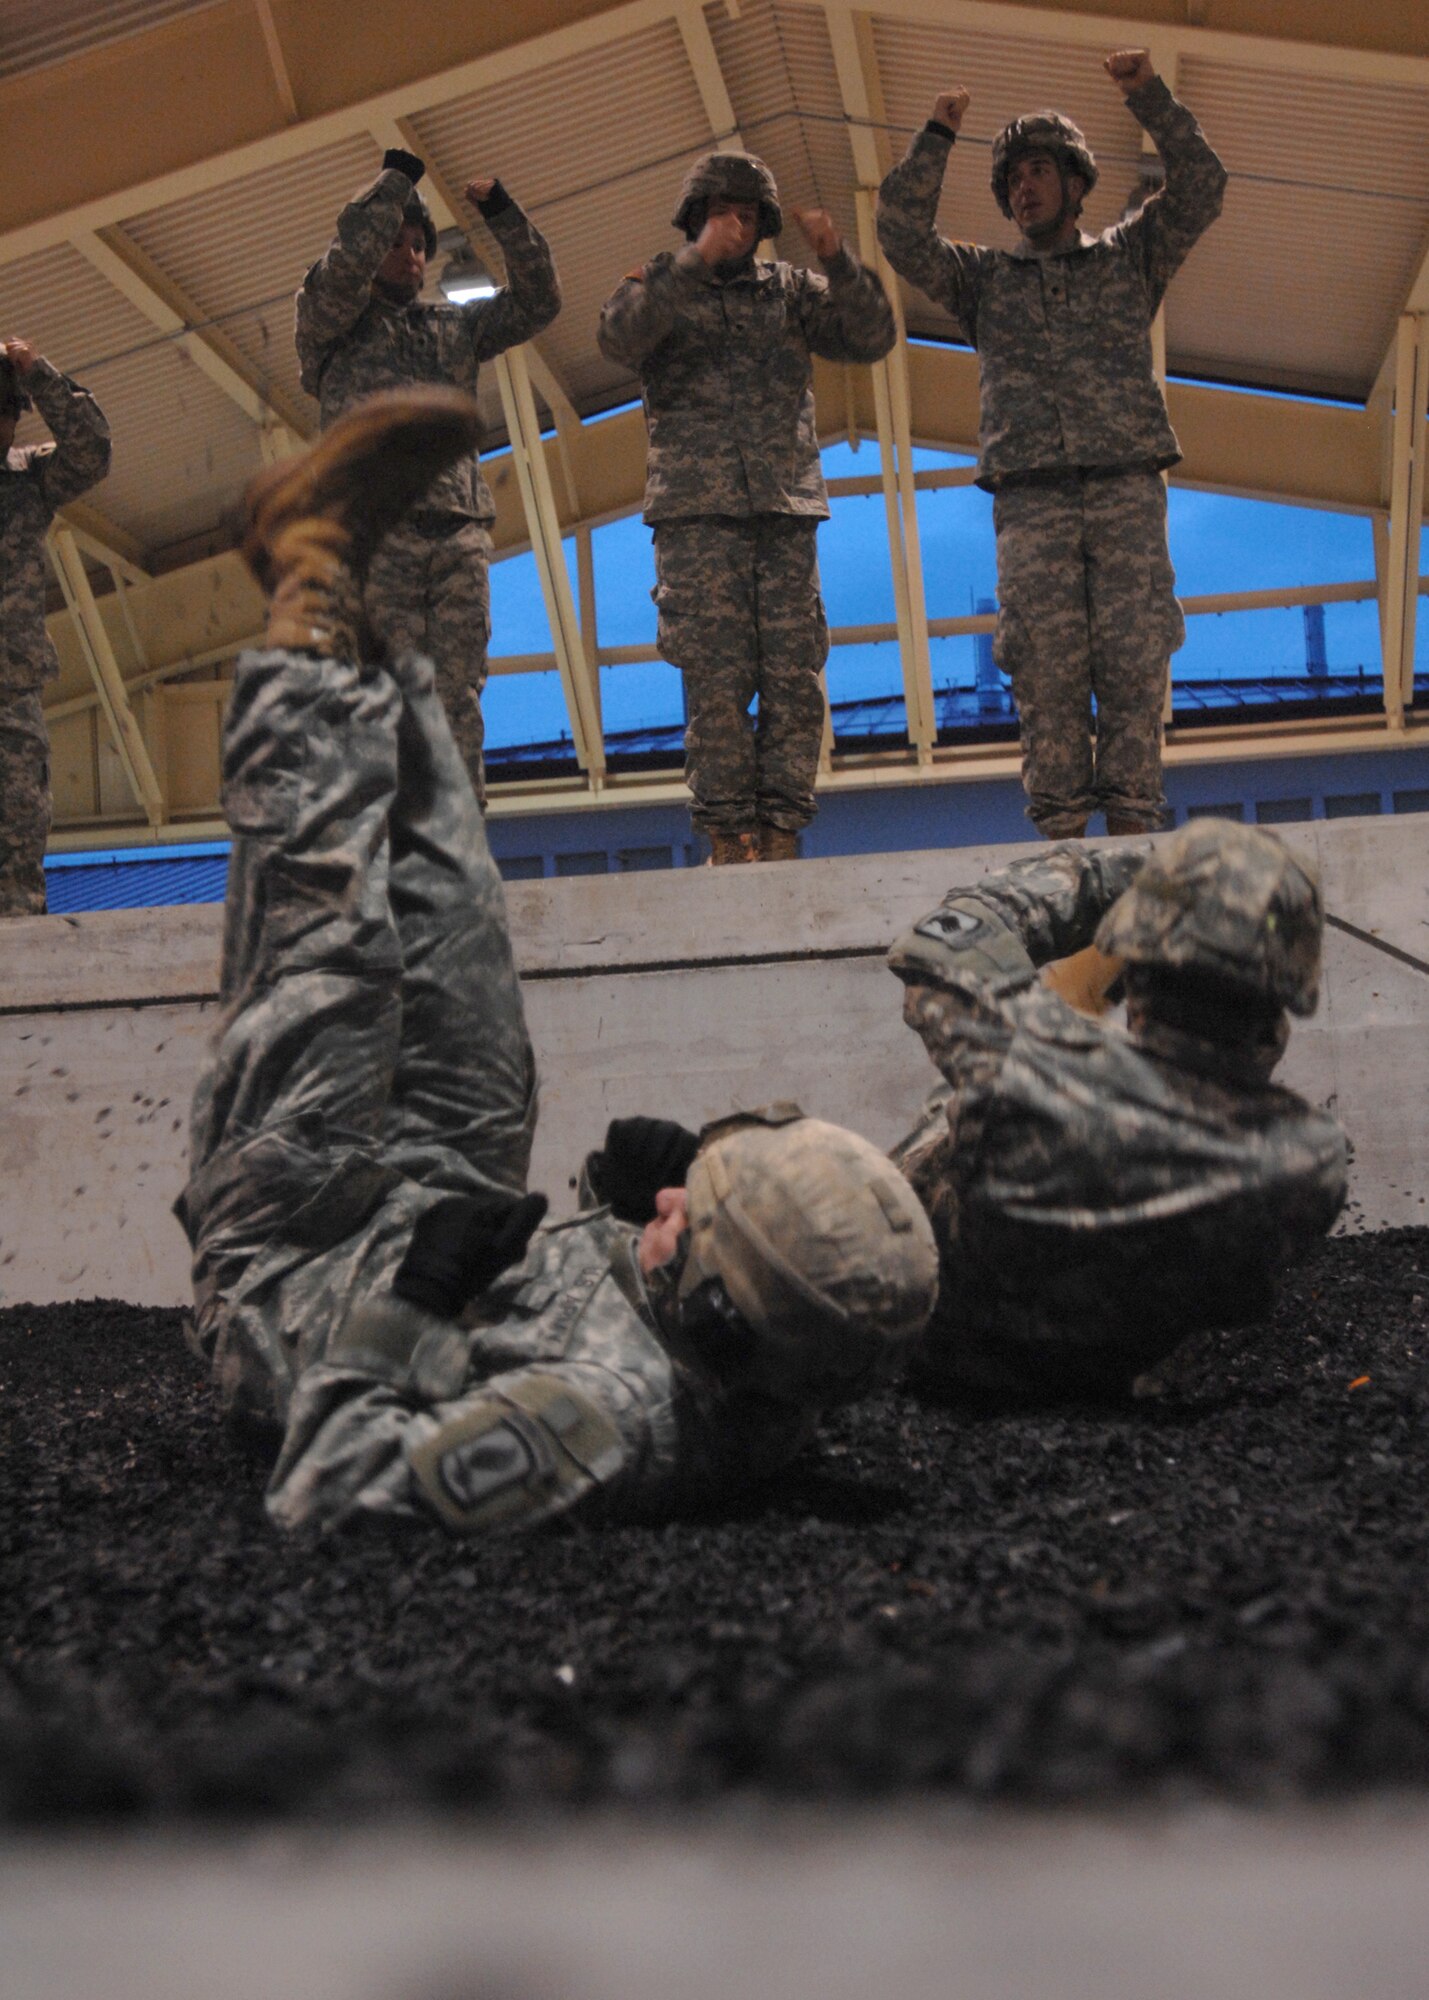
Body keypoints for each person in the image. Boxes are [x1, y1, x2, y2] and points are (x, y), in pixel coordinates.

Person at [177, 387, 939, 1537]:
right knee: (460, 928)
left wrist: (416, 1300)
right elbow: (648, 1297)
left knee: (328, 947)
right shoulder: (777, 1334)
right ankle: (354, 626)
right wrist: (622, 1205)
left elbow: (328, 1487)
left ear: (716, 1307)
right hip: (454, 1218)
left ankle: (309, 593)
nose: (677, 1196)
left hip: (303, 1263)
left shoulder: (594, 1423)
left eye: (694, 1217)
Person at [877, 50, 1227, 840]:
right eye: (1010, 179)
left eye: (1037, 170)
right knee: (1044, 668)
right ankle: (1063, 843)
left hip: (1124, 489)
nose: (1022, 187)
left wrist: (1147, 95)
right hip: (1031, 500)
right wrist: (936, 136)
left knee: (1134, 659)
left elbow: (1202, 183)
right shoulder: (983, 280)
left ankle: (1132, 834)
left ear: (1074, 183)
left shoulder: (1129, 257)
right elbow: (899, 233)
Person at [885, 823, 1347, 1400]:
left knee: (954, 1107)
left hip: (936, 1353)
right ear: (1276, 1015)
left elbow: (937, 948)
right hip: (1104, 1377)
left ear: (1139, 979)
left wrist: (1115, 878)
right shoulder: (1311, 1162)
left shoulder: (1029, 1062)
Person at [598, 153, 896, 863]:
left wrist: (837, 259)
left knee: (794, 677)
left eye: (746, 213)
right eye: (719, 211)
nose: (733, 224)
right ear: (694, 216)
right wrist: (694, 262)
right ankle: (728, 840)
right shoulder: (658, 283)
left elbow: (872, 336)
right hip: (697, 519)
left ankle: (782, 833)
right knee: (715, 683)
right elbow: (618, 338)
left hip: (783, 511)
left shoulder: (790, 291)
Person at [295, 146, 560, 805]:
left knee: (456, 694)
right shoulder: (333, 325)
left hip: (455, 535)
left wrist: (502, 214)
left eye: (419, 246)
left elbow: (539, 301)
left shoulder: (454, 328)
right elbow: (343, 265)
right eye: (395, 243)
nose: (410, 256)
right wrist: (393, 185)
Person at [0, 340, 112, 916]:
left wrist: (37, 374)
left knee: (19, 854)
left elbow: (92, 451)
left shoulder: (28, 476)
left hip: (11, 700)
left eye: (6, 413)